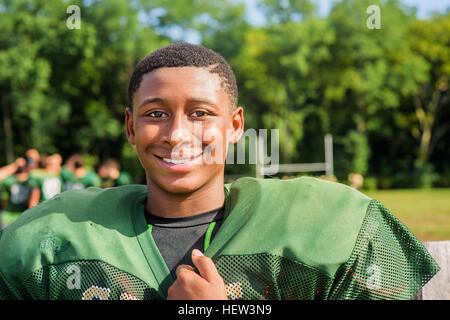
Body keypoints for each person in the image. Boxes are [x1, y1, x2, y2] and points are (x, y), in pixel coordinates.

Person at [0, 43, 439, 300]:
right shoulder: (53, 237)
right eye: (155, 113)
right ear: (131, 128)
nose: (177, 133)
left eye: (200, 113)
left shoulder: (329, 226)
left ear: (234, 126)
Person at [0, 164, 40, 229]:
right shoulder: (32, 181)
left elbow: (4, 200)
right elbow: (33, 201)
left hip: (9, 215)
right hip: (23, 216)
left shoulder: (8, 181)